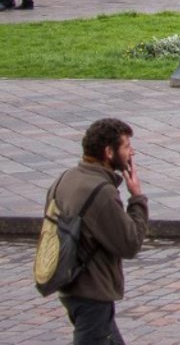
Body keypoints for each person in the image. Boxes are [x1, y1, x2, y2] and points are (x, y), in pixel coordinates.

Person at [44, 116, 148, 343]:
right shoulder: (101, 192)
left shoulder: (64, 179)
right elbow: (130, 243)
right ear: (109, 152)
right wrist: (137, 198)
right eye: (127, 147)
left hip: (72, 287)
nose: (132, 153)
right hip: (92, 294)